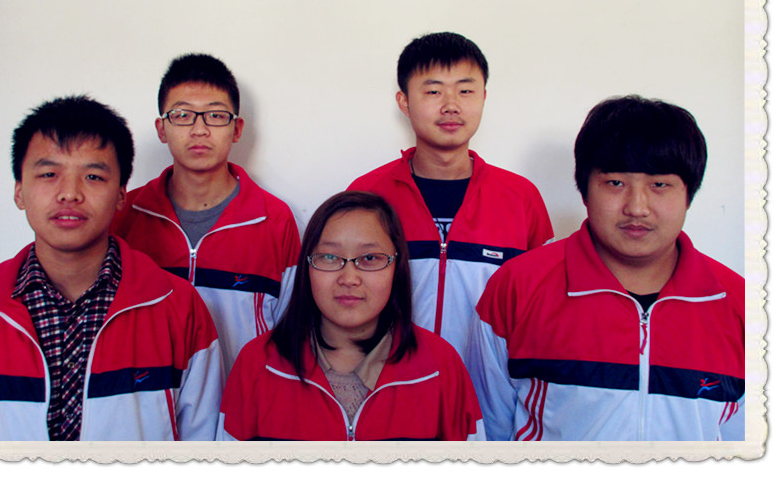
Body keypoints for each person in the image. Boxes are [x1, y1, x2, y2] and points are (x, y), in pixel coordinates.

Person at [467, 95, 745, 441]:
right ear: (584, 190)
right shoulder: (518, 286)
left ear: (689, 194)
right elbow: (485, 432)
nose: (637, 207)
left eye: (659, 185)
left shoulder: (741, 304)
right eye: (615, 183)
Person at [0, 96, 223, 441]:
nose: (70, 193)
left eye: (93, 176)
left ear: (121, 195)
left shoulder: (179, 308)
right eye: (49, 174)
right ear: (20, 191)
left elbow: (205, 446)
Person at [348, 32, 553, 360]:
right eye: (433, 91)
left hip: (488, 388)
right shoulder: (367, 194)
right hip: (388, 384)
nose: (451, 105)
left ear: (483, 97)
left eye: (465, 90)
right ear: (404, 102)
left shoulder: (521, 198)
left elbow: (541, 308)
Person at [220, 191, 484, 441]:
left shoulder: (440, 367)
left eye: (370, 258)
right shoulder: (257, 365)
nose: (349, 278)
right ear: (307, 266)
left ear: (397, 266)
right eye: (329, 257)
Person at [111, 53, 301, 376]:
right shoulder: (124, 214)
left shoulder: (274, 220)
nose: (199, 130)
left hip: (243, 403)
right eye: (182, 115)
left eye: (215, 115)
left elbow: (292, 333)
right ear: (161, 128)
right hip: (153, 402)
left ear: (237, 129)